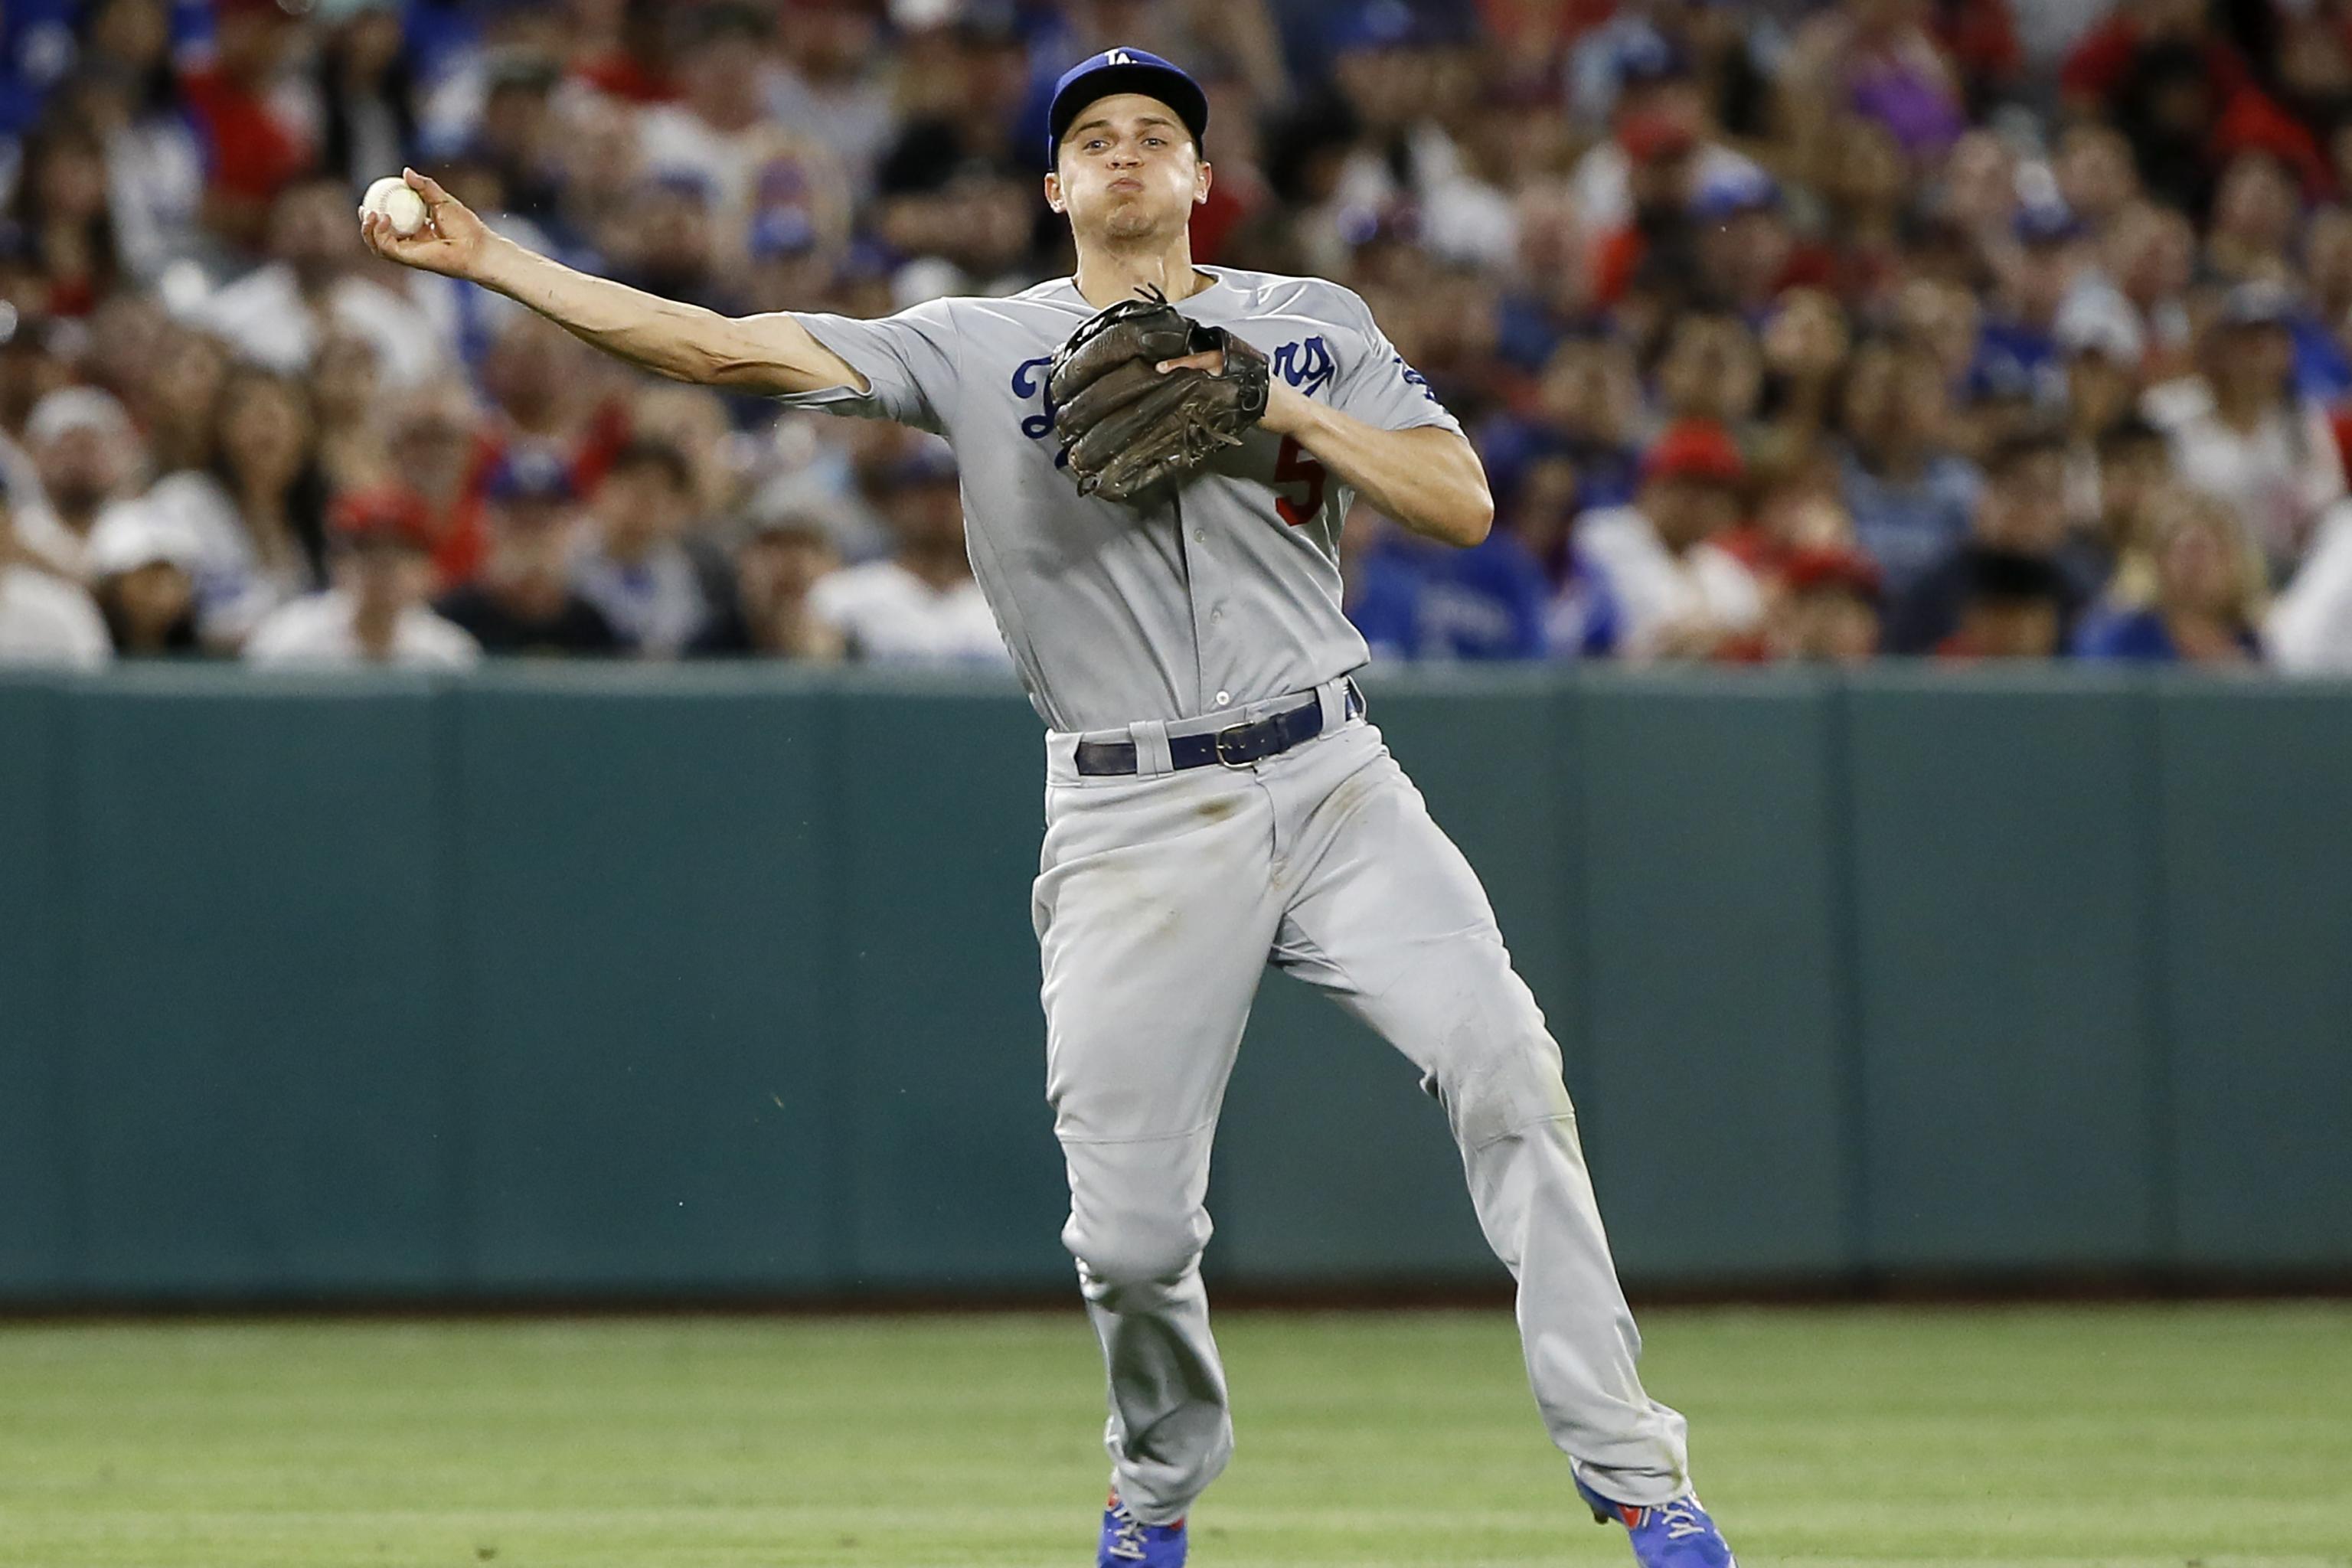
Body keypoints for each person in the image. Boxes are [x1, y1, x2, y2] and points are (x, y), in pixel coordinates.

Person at [362, 44, 1736, 1568]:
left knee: (1513, 1079)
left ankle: (1637, 1481)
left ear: (1205, 178)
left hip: (1335, 775)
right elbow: (727, 350)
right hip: (1129, 809)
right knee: (1134, 1242)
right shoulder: (974, 344)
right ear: (1056, 184)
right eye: (1098, 136)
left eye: (1161, 133)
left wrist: (1274, 406)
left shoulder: (1307, 326)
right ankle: (1152, 1493)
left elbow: (1460, 502)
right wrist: (488, 259)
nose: (1131, 152)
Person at [806, 436, 1008, 665]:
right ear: (895, 502)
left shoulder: (1011, 604)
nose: (939, 504)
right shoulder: (844, 595)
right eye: (924, 490)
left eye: (953, 491)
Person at [1573, 419, 1764, 663]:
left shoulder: (1724, 569)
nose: (1701, 504)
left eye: (1714, 492)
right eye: (1688, 487)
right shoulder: (1601, 536)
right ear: (1652, 485)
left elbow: (1752, 633)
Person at [244, 488, 480, 670]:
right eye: (367, 550)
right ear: (337, 563)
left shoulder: (448, 653)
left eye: (401, 552)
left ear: (426, 567)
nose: (383, 566)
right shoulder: (289, 639)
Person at [434, 449, 621, 656]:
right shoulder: (450, 620)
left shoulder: (592, 627)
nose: (532, 535)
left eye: (545, 522)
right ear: (488, 524)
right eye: (519, 520)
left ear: (572, 527)